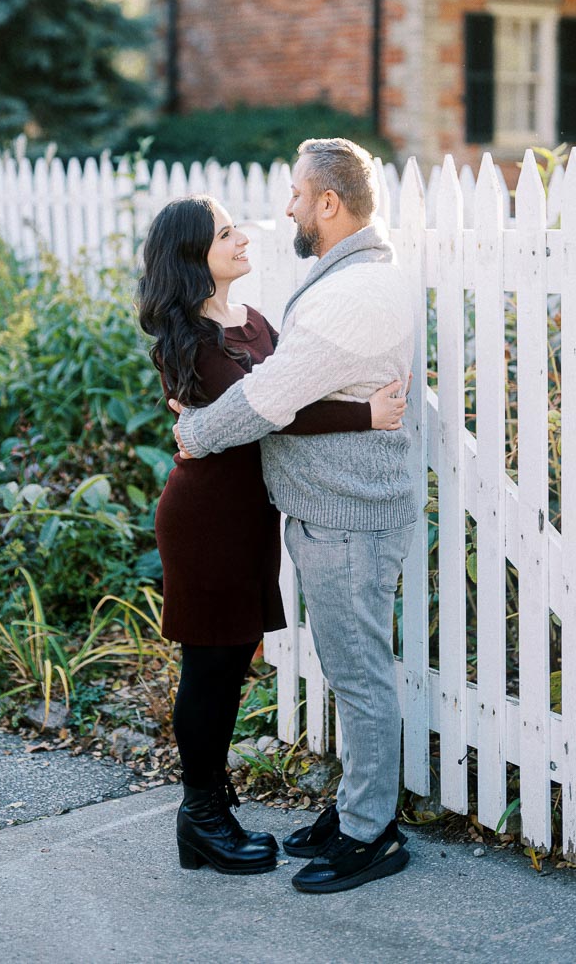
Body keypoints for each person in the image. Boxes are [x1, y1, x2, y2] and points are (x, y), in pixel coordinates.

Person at [136, 194, 407, 877]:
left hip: (254, 513)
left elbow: (295, 386)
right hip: (206, 519)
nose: (242, 239)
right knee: (211, 669)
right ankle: (201, 817)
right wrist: (363, 415)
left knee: (232, 666)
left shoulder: (252, 322)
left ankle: (212, 811)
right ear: (192, 255)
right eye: (225, 234)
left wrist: (342, 403)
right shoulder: (189, 338)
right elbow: (271, 412)